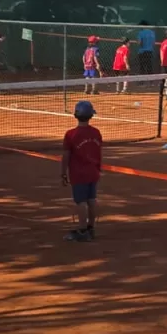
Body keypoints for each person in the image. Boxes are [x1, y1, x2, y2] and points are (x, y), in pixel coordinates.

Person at [61, 99, 102, 243]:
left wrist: (63, 172)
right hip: (93, 172)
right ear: (91, 115)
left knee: (81, 202)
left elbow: (66, 155)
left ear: (76, 115)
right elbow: (98, 152)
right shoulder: (96, 133)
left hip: (79, 174)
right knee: (91, 200)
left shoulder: (71, 134)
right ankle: (91, 228)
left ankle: (82, 230)